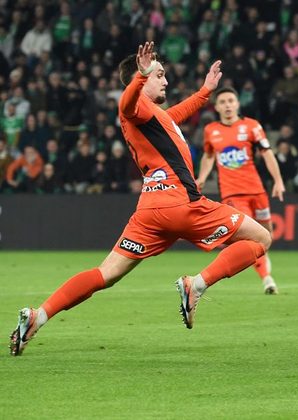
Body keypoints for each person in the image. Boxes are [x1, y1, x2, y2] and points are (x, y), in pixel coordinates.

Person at [9, 42, 272, 356]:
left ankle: (39, 316)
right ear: (142, 77)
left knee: (105, 274)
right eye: (159, 75)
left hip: (150, 211)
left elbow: (177, 114)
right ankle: (197, 284)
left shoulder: (154, 118)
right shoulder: (133, 108)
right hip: (182, 203)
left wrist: (204, 91)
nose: (165, 81)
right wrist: (139, 77)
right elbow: (125, 104)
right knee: (261, 238)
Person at [196, 87, 285, 294]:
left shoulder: (252, 126)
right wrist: (201, 177)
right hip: (232, 194)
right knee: (250, 238)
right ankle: (267, 279)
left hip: (257, 190)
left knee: (266, 237)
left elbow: (267, 153)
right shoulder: (211, 130)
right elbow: (209, 156)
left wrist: (278, 181)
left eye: (231, 101)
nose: (227, 105)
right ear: (217, 107)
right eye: (223, 102)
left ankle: (265, 273)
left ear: (237, 104)